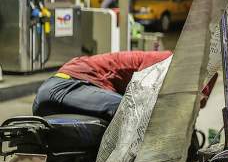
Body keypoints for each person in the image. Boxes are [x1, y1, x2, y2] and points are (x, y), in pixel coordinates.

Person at [33, 51, 172, 121]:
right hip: (66, 85)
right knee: (132, 110)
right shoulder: (165, 59)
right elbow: (143, 93)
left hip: (55, 95)